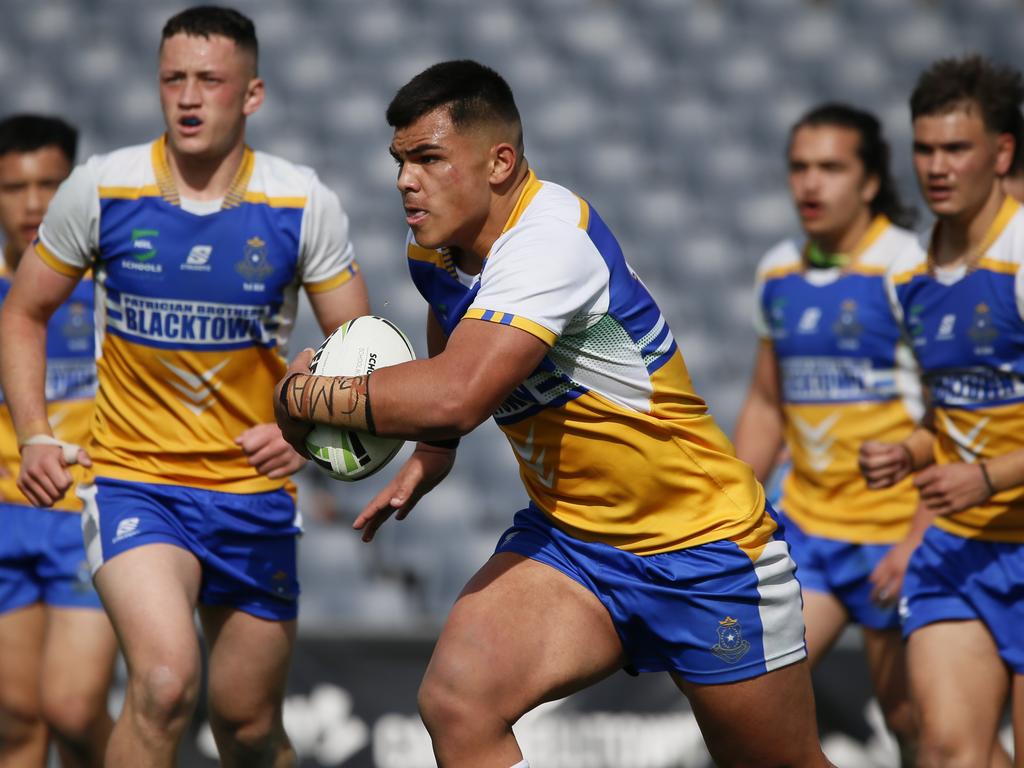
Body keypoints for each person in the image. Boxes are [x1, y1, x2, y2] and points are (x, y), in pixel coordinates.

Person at [274, 59, 831, 768]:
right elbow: (452, 324)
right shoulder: (435, 244)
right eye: (399, 161)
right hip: (574, 545)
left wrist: (300, 397)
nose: (404, 180)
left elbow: (459, 391)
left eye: (428, 158)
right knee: (457, 702)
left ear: (500, 162)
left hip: (703, 549)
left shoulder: (550, 243)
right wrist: (435, 450)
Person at [0, 7, 369, 768]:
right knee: (164, 684)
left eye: (210, 79)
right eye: (174, 79)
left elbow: (361, 349)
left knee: (246, 726)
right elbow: (24, 311)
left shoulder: (302, 202)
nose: (190, 96)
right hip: (135, 483)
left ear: (252, 94)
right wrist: (36, 429)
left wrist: (308, 436)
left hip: (251, 493)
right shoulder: (102, 187)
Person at [734, 103, 924, 760]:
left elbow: (952, 412)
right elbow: (766, 404)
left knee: (910, 715)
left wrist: (922, 527)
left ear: (870, 181)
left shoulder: (909, 267)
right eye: (799, 168)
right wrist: (729, 504)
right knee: (758, 694)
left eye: (831, 168)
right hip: (809, 529)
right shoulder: (778, 270)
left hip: (896, 533)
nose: (810, 184)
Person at [859, 54, 1024, 767]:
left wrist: (987, 476)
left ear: (1001, 152)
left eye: (957, 148)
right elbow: (952, 415)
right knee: (949, 753)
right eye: (925, 148)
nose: (938, 165)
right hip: (959, 550)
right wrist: (912, 449)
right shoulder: (913, 278)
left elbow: (983, 453)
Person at [0, 114, 117, 768]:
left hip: (86, 513)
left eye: (49, 183)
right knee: (18, 724)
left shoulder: (110, 282)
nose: (34, 203)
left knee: (72, 709)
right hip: (4, 518)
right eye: (14, 187)